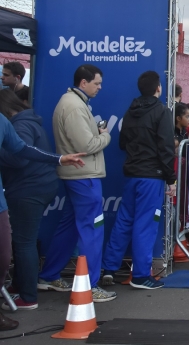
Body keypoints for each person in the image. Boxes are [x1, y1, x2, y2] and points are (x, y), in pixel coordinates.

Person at [39, 64, 116, 303]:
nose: (100, 88)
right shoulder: (73, 105)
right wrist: (106, 134)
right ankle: (90, 285)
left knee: (70, 226)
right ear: (83, 83)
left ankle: (49, 275)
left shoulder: (73, 102)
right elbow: (88, 145)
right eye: (97, 83)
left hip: (78, 175)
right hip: (83, 176)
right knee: (92, 229)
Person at [0, 110, 85, 326]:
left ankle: (24, 294)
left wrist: (59, 158)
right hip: (23, 191)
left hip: (14, 196)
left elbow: (22, 150)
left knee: (6, 253)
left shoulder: (5, 123)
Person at [101, 71, 176, 290]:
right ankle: (141, 275)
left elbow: (122, 143)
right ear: (158, 88)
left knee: (124, 221)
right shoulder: (162, 112)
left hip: (132, 174)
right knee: (145, 225)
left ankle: (109, 268)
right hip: (151, 176)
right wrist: (171, 178)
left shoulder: (130, 111)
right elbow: (166, 148)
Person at [0, 91, 57, 309]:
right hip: (39, 185)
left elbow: (19, 158)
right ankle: (21, 285)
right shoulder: (28, 121)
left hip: (28, 189)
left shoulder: (19, 126)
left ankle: (28, 296)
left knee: (24, 242)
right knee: (24, 241)